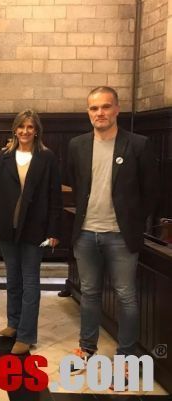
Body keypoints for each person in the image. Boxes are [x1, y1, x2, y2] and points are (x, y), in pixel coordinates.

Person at [68, 86, 159, 370]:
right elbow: (76, 184)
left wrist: (133, 221)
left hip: (121, 235)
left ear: (117, 109)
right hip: (85, 233)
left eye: (106, 106)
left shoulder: (138, 144)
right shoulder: (77, 145)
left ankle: (126, 357)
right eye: (94, 108)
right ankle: (86, 348)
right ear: (88, 112)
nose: (100, 113)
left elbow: (151, 192)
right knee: (90, 294)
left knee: (126, 296)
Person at [0, 109, 62, 355]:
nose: (25, 131)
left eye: (30, 127)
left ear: (36, 130)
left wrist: (53, 230)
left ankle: (26, 335)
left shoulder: (47, 158)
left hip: (35, 228)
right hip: (7, 227)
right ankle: (14, 323)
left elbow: (55, 196)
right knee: (13, 279)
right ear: (15, 129)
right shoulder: (3, 157)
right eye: (21, 127)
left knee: (30, 281)